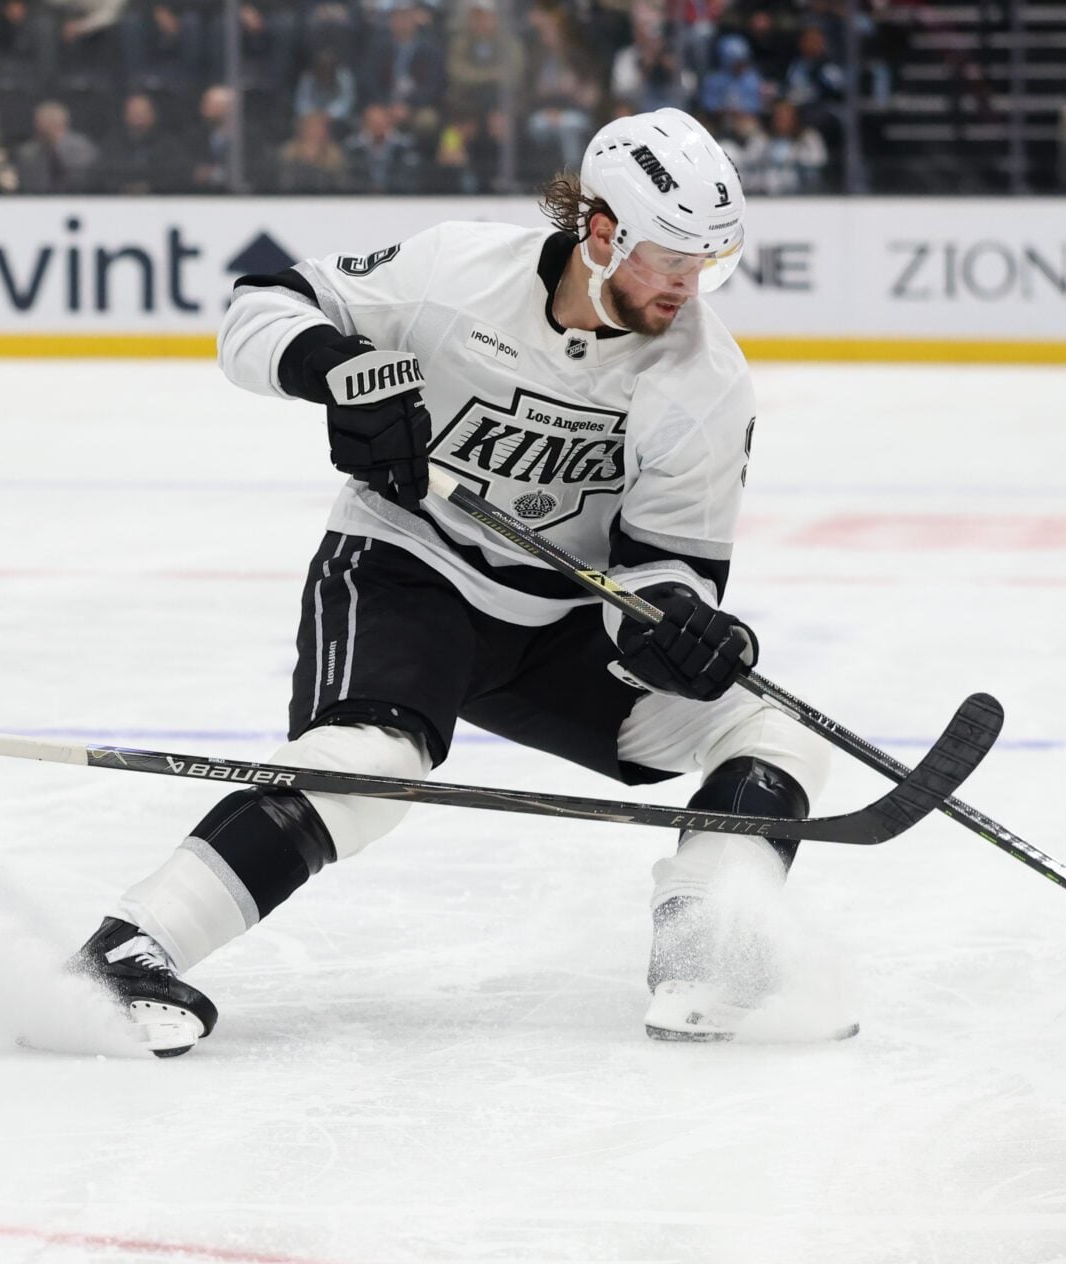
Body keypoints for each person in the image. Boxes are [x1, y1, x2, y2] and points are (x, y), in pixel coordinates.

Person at [72, 109, 839, 1054]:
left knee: (774, 733)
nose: (689, 286)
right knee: (373, 766)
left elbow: (671, 563)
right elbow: (258, 308)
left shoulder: (706, 380)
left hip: (560, 622)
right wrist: (340, 372)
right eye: (670, 257)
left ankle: (706, 956)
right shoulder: (455, 273)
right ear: (601, 231)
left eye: (709, 262)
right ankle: (126, 954)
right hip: (407, 568)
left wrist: (672, 626)